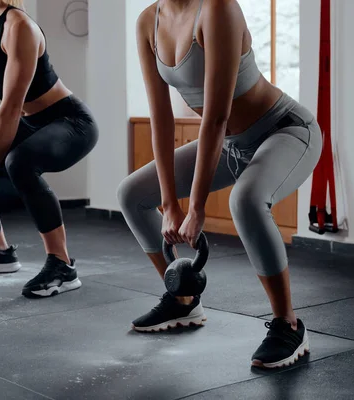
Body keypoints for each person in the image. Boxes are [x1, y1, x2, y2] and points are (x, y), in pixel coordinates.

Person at [117, 0, 322, 368]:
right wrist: (170, 204)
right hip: (232, 144)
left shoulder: (217, 8)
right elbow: (160, 117)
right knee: (132, 194)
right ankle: (181, 298)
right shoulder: (148, 21)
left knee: (246, 201)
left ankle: (288, 324)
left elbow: (216, 116)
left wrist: (195, 208)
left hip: (284, 130)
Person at [0, 0, 98, 299]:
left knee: (19, 162)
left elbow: (11, 106)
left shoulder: (19, 27)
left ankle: (62, 265)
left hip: (70, 121)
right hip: (28, 121)